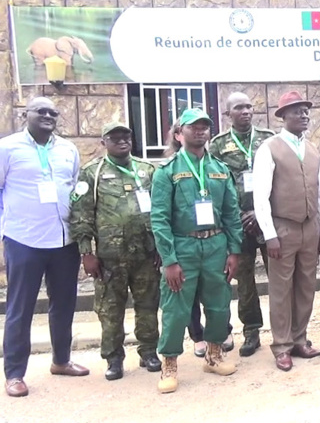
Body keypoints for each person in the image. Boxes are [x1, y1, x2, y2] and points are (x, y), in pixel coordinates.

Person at [151, 109, 242, 393]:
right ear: (179, 133)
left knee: (218, 303)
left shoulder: (220, 169)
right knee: (176, 309)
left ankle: (214, 356)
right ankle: (169, 364)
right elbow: (159, 219)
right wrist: (169, 260)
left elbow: (231, 212)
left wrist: (234, 250)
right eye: (194, 127)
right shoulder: (166, 173)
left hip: (216, 245)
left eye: (205, 126)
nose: (201, 131)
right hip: (183, 245)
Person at [1, 97, 86, 398]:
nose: (48, 116)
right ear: (27, 114)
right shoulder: (7, 148)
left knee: (63, 304)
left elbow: (74, 187)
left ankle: (61, 360)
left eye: (53, 112)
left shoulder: (68, 150)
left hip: (64, 240)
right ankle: (14, 374)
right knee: (20, 308)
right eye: (41, 111)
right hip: (24, 240)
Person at [69, 122, 160, 381]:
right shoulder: (91, 173)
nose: (122, 141)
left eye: (126, 136)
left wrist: (161, 247)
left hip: (145, 254)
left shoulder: (147, 170)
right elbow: (81, 215)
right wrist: (87, 253)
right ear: (103, 142)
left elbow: (162, 211)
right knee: (110, 310)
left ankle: (149, 351)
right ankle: (114, 358)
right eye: (115, 137)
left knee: (148, 306)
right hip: (109, 258)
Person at [253, 91, 320, 371]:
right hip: (283, 227)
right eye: (296, 111)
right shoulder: (269, 148)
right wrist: (270, 234)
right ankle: (282, 345)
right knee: (281, 289)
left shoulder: (312, 150)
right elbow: (260, 196)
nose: (303, 115)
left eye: (305, 111)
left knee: (306, 286)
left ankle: (300, 338)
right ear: (283, 116)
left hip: (309, 227)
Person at [206, 91, 274, 357]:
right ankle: (251, 332)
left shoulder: (268, 140)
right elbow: (213, 184)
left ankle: (283, 331)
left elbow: (278, 179)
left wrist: (259, 212)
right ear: (227, 114)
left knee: (277, 278)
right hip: (237, 224)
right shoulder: (218, 145)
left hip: (266, 219)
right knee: (245, 281)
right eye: (239, 108)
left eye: (248, 107)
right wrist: (237, 216)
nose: (245, 112)